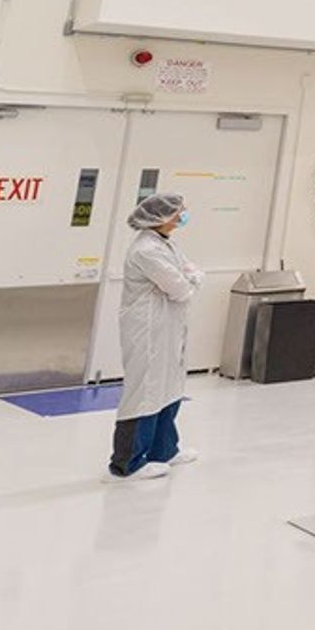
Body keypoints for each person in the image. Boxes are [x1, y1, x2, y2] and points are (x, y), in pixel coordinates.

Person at [109, 193, 204, 482]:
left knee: (169, 387)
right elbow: (181, 288)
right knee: (144, 392)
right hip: (147, 331)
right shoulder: (146, 250)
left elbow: (189, 271)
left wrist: (189, 277)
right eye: (178, 212)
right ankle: (128, 463)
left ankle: (164, 450)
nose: (182, 215)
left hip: (168, 328)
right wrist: (190, 279)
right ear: (161, 217)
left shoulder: (165, 244)